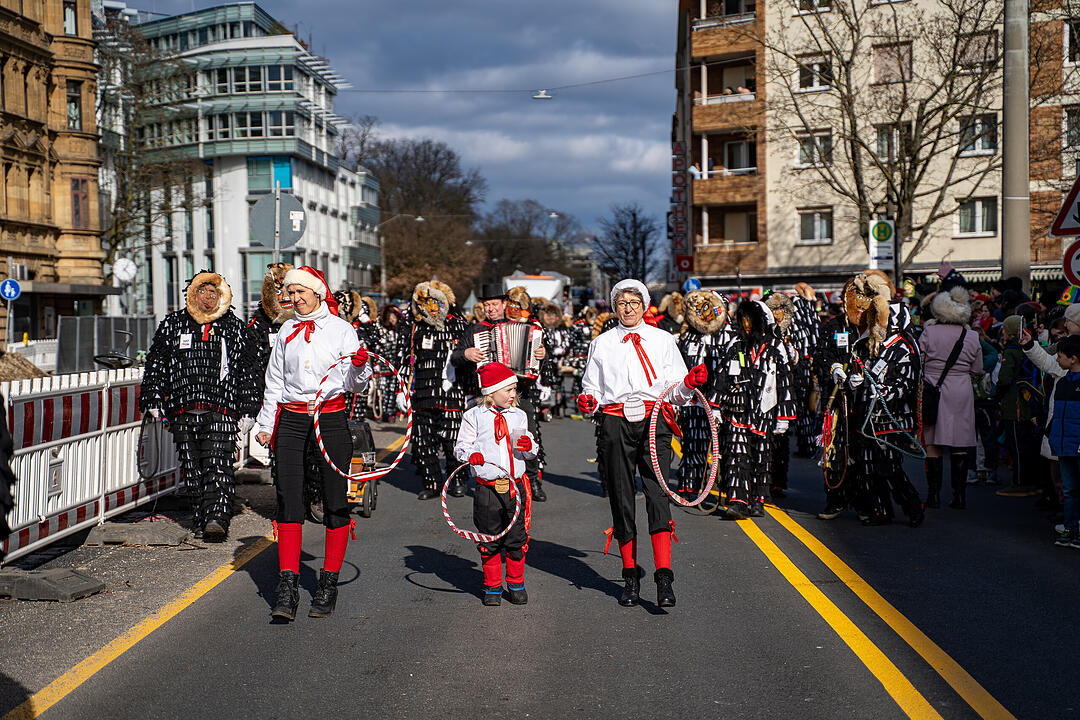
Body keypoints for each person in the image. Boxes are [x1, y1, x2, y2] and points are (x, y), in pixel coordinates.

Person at [578, 279, 708, 608]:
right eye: (622, 303)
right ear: (615, 307)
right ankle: (630, 578)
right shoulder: (602, 343)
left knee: (657, 494)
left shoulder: (663, 340)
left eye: (634, 303)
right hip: (615, 422)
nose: (628, 309)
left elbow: (676, 391)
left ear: (644, 305)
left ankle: (664, 578)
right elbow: (591, 388)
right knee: (621, 498)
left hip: (654, 421)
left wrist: (688, 383)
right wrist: (588, 402)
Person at [254, 266, 372, 621]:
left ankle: (328, 583)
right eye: (291, 293)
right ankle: (287, 586)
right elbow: (274, 382)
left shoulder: (341, 330)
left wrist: (360, 367)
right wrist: (265, 425)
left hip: (330, 417)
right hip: (292, 419)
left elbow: (354, 385)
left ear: (318, 293)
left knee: (335, 499)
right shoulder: (286, 330)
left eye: (301, 292)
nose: (295, 299)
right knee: (289, 498)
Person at [140, 271, 259, 541]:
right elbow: (156, 362)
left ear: (222, 296)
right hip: (182, 409)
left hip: (221, 409)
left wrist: (249, 408)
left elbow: (249, 370)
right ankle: (201, 518)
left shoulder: (234, 328)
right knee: (192, 468)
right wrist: (153, 397)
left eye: (213, 293)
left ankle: (217, 518)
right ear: (192, 295)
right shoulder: (173, 325)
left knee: (218, 464)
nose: (207, 297)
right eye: (202, 292)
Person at [453, 362, 537, 605]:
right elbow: (461, 447)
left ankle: (516, 583)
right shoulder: (473, 416)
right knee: (489, 538)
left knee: (516, 538)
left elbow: (530, 449)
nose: (513, 394)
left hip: (514, 488)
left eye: (514, 389)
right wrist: (471, 455)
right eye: (508, 390)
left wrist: (529, 447)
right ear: (491, 392)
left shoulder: (519, 415)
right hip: (487, 489)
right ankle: (492, 586)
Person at [920, 286, 983, 510]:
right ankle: (959, 496)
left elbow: (919, 362)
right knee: (960, 444)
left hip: (933, 389)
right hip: (961, 391)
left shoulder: (929, 333)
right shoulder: (972, 336)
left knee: (932, 443)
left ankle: (933, 496)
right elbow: (977, 369)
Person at [408, 281, 468, 500]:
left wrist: (471, 392)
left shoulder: (460, 326)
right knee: (423, 441)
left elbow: (469, 361)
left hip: (453, 392)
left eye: (437, 303)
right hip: (423, 393)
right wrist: (400, 391)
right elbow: (404, 359)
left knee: (453, 440)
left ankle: (458, 479)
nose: (432, 308)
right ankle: (432, 483)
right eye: (427, 304)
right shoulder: (415, 328)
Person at [674, 289, 732, 495]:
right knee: (693, 443)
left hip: (722, 403)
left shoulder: (730, 336)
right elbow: (680, 366)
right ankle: (690, 484)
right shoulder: (688, 336)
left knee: (725, 447)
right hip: (693, 401)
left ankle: (725, 487)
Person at [1045, 335, 1080, 547]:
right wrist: (1052, 434)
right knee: (1069, 490)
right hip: (1065, 444)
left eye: (1060, 356)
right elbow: (1057, 414)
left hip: (1076, 444)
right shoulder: (1063, 382)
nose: (1057, 360)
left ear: (1073, 358)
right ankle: (1070, 528)